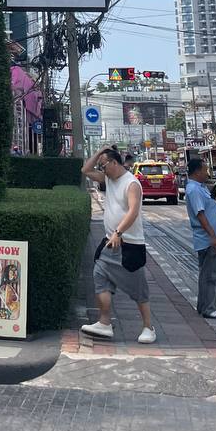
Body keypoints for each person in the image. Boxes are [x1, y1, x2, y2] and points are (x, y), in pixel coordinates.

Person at [79, 146, 156, 344]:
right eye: (101, 166)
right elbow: (85, 170)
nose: (102, 170)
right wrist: (98, 153)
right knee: (99, 276)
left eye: (104, 165)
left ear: (115, 163)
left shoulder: (131, 184)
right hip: (110, 241)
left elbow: (133, 211)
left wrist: (119, 232)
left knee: (138, 289)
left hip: (130, 244)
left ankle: (148, 327)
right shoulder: (108, 179)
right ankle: (104, 322)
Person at [185, 155, 216, 319]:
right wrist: (213, 236)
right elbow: (201, 214)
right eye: (205, 170)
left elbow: (207, 207)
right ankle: (208, 308)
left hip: (208, 238)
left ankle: (203, 306)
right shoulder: (194, 190)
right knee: (210, 275)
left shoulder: (199, 187)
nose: (207, 173)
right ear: (197, 171)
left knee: (208, 274)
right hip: (207, 239)